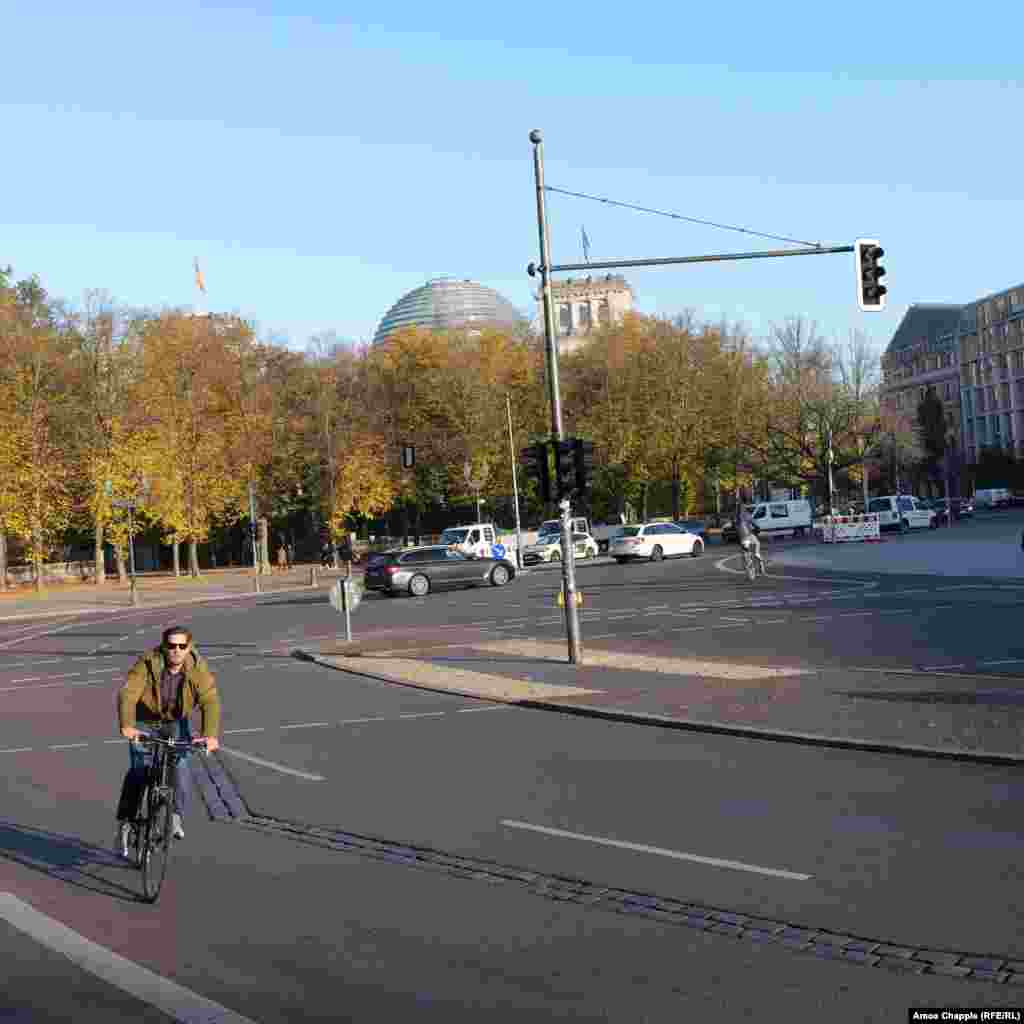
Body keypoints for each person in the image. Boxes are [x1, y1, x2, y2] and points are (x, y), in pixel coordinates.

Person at [114, 626, 221, 857]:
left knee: (180, 765)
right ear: (164, 647)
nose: (176, 650)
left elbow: (210, 700)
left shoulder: (198, 669)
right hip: (145, 720)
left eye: (182, 646)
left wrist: (210, 735)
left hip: (174, 722)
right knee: (140, 770)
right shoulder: (148, 663)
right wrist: (127, 726)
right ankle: (126, 821)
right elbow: (128, 693)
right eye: (171, 646)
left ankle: (175, 817)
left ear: (189, 647)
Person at [736, 504, 764, 574]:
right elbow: (757, 526)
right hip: (751, 536)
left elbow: (738, 530)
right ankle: (760, 563)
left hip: (745, 539)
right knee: (756, 553)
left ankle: (749, 568)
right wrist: (756, 530)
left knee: (745, 554)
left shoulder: (737, 517)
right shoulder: (748, 516)